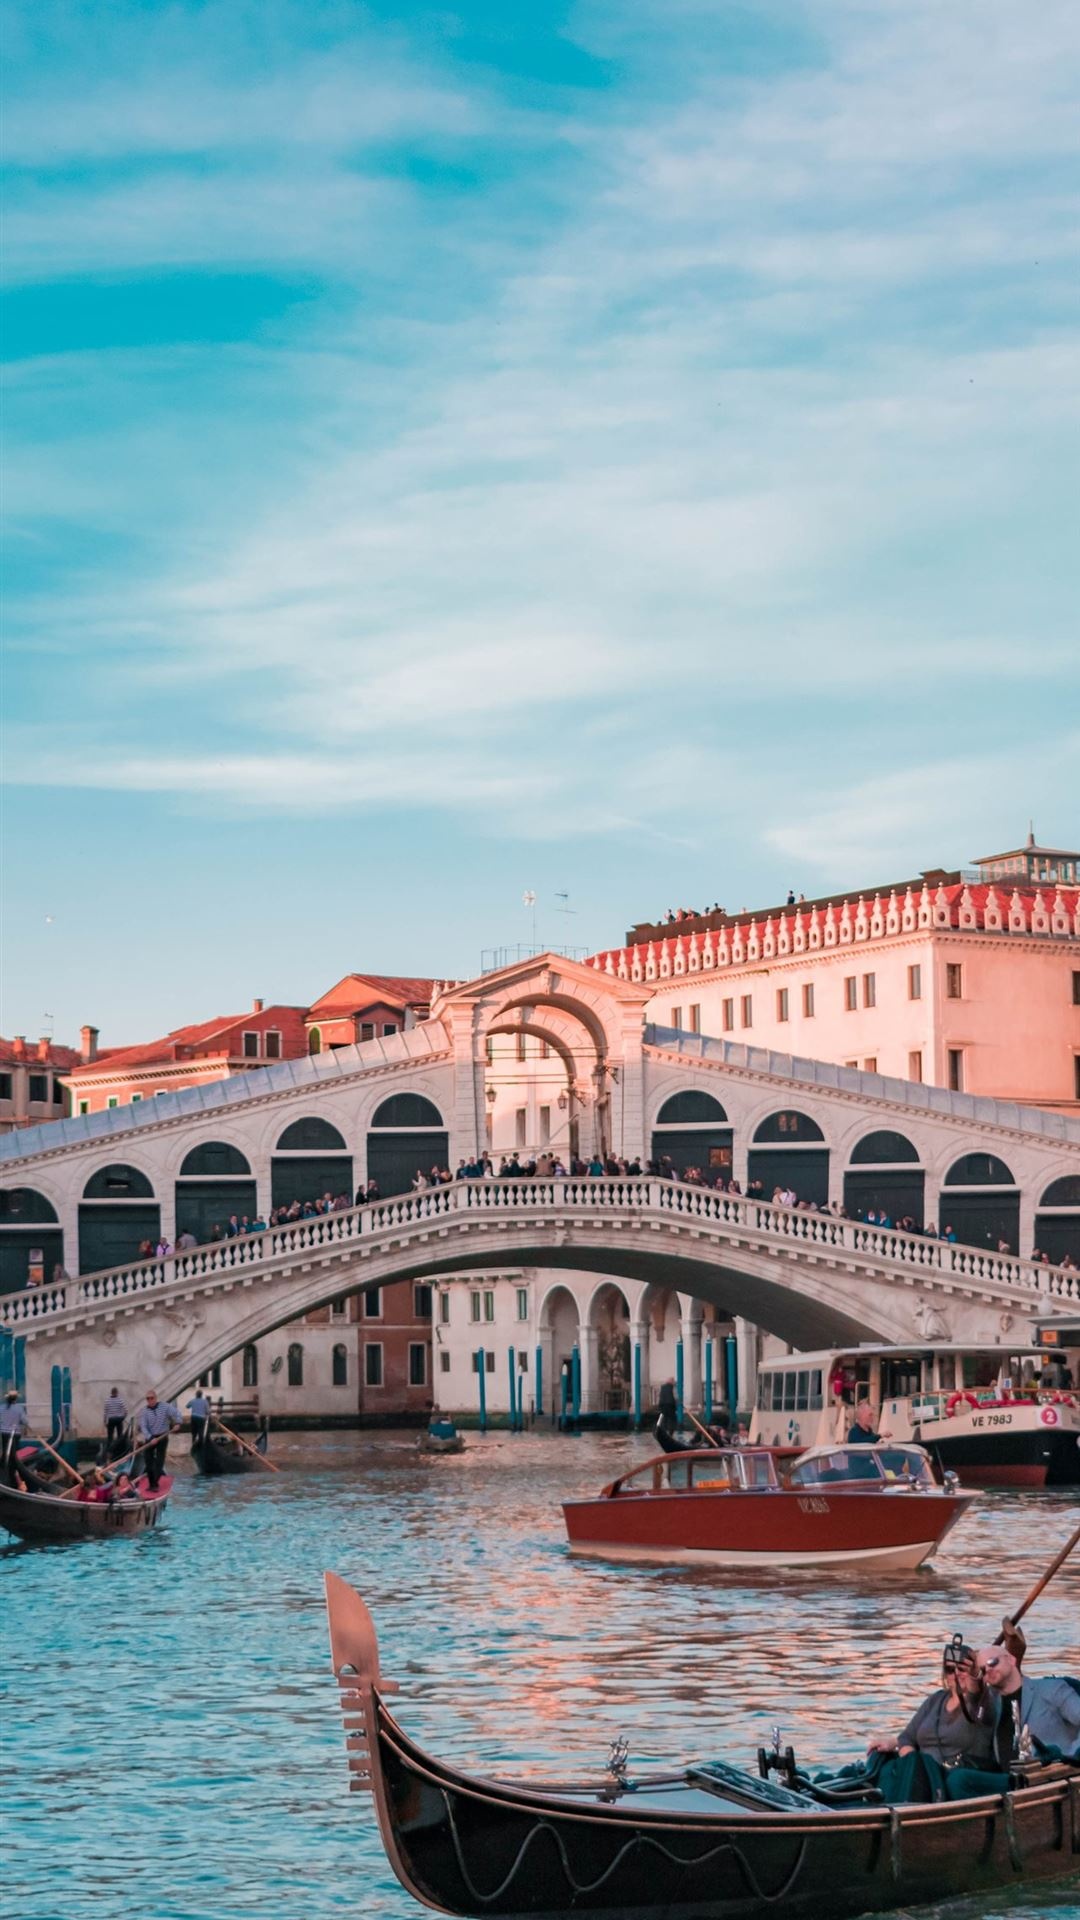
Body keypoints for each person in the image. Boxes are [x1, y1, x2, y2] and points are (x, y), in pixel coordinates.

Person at [867, 1643, 996, 1772]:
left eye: (962, 1669)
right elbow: (906, 1738)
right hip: (922, 1773)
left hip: (957, 1772)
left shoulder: (982, 1701)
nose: (956, 1674)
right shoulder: (936, 1700)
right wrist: (914, 1765)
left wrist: (975, 1679)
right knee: (876, 1761)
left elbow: (976, 1695)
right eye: (950, 1670)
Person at [978, 1634, 1080, 1763]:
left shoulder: (1052, 1689)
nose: (988, 1669)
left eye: (992, 1662)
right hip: (1009, 1779)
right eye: (982, 1669)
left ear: (1011, 1660)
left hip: (1056, 1774)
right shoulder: (989, 1705)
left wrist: (1072, 1756)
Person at [136, 1390, 182, 1490]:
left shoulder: (165, 1407)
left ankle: (154, 1484)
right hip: (151, 1438)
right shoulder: (144, 1411)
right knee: (148, 1461)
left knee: (159, 1462)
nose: (150, 1400)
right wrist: (150, 1438)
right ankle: (152, 1483)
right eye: (148, 1398)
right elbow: (143, 1427)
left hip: (163, 1436)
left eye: (151, 1398)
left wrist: (178, 1423)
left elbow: (177, 1413)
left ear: (156, 1398)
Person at [0, 1388, 28, 1480]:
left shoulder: (1, 1407)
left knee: (5, 1450)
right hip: (15, 1433)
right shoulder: (19, 1408)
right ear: (16, 1399)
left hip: (4, 1433)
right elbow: (25, 1421)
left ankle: (4, 1469)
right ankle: (12, 1472)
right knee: (13, 1453)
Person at [103, 1387, 127, 1455]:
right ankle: (120, 1451)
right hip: (119, 1420)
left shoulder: (107, 1401)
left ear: (111, 1392)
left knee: (110, 1437)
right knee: (120, 1436)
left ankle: (109, 1452)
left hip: (111, 1420)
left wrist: (104, 1421)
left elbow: (105, 1412)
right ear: (117, 1392)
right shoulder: (120, 1400)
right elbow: (126, 1411)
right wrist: (123, 1417)